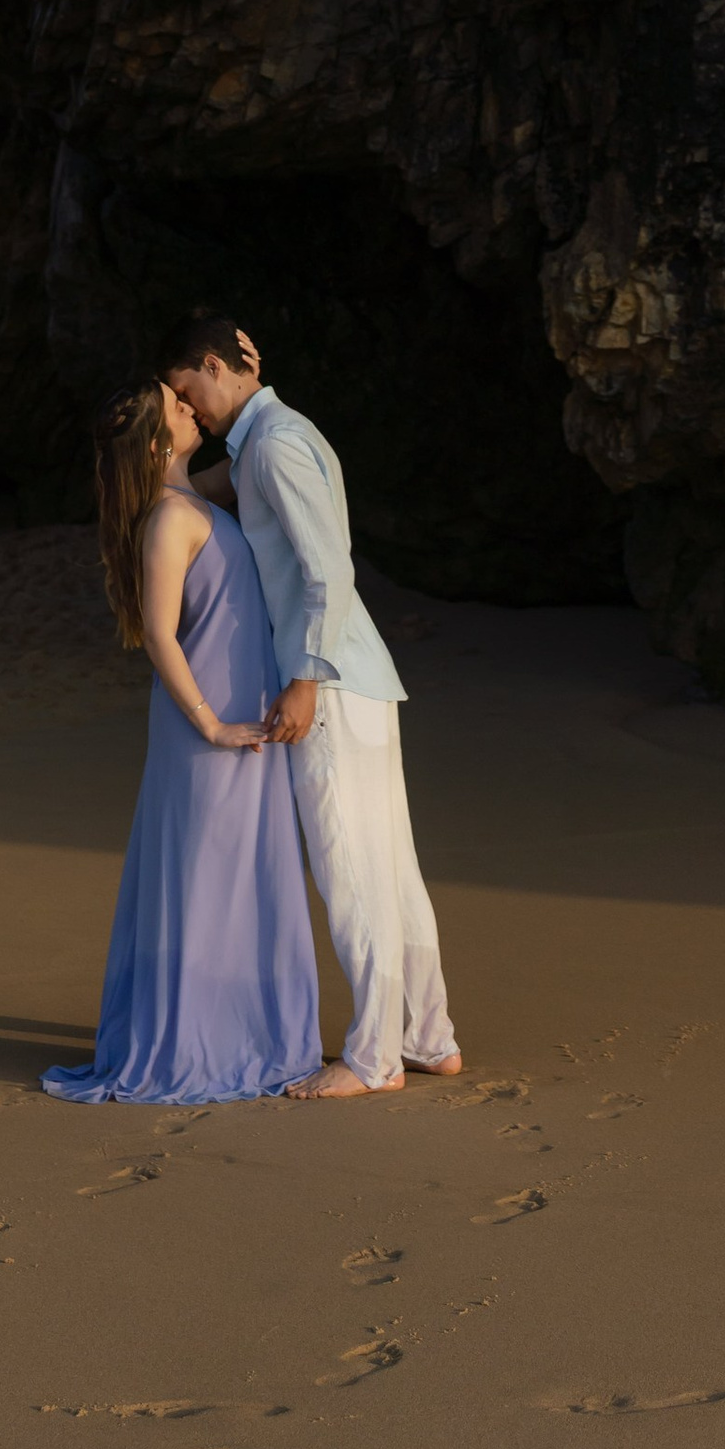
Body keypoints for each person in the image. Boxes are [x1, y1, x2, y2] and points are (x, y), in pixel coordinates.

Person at [165, 312, 461, 1098]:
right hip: (356, 677)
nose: (187, 407)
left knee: (352, 872)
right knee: (391, 867)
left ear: (211, 366)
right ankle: (428, 1036)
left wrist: (301, 676)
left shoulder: (277, 443)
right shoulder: (271, 434)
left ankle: (374, 1058)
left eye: (186, 389)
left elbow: (328, 565)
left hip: (329, 681)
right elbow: (201, 495)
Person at [42, 381, 323, 1107]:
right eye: (176, 404)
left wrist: (255, 380)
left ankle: (248, 1036)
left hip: (238, 720)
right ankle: (196, 1044)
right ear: (160, 441)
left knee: (240, 880)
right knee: (206, 883)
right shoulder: (169, 520)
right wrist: (209, 723)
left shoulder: (191, 497)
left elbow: (259, 444)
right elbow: (159, 635)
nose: (192, 406)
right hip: (208, 728)